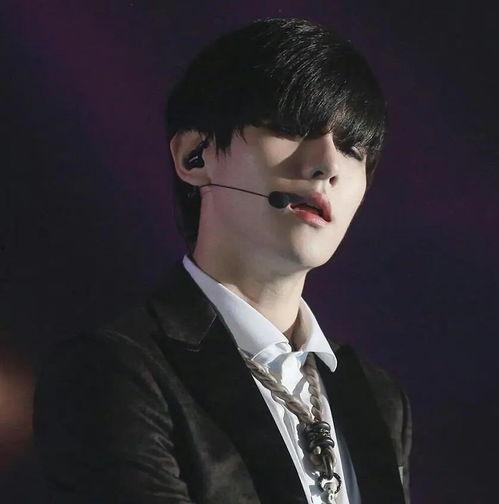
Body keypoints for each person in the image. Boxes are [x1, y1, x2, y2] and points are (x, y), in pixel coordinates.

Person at [33, 17, 412, 504]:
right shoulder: (113, 372)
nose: (328, 165)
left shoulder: (378, 399)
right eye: (293, 127)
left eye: (353, 148)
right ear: (195, 155)